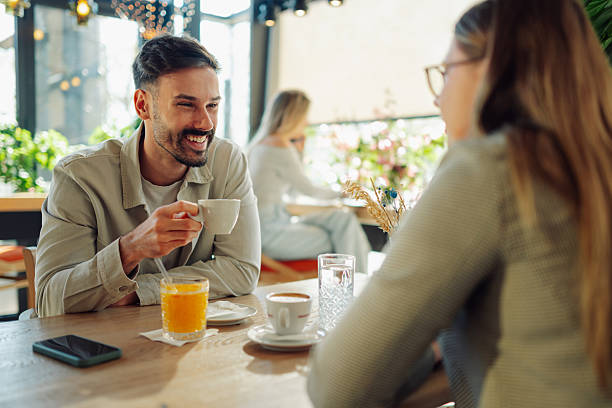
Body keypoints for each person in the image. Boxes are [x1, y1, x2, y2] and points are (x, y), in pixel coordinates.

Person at [307, 0, 612, 406]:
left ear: (491, 69)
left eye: (446, 72)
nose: (437, 98)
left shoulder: (493, 169)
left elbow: (337, 385)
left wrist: (418, 345)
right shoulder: (593, 168)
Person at [34, 35, 261, 318]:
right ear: (143, 105)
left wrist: (139, 291)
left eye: (212, 105)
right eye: (186, 104)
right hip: (96, 348)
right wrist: (130, 249)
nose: (206, 123)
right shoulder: (80, 175)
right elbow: (50, 301)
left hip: (181, 339)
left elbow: (242, 270)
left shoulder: (227, 160)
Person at [248, 90, 371, 274]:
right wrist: (342, 193)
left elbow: (293, 192)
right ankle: (360, 284)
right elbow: (308, 189)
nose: (306, 122)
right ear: (293, 117)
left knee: (342, 220)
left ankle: (360, 281)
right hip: (270, 233)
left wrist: (298, 151)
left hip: (270, 225)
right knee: (343, 238)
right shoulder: (279, 147)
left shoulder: (261, 145)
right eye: (304, 116)